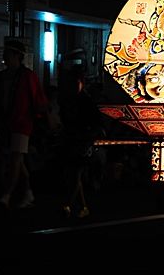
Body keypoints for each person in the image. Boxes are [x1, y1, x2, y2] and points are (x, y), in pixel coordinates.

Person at [0, 39, 48, 209]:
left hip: (22, 122)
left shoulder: (27, 76)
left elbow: (37, 100)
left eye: (7, 53)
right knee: (17, 159)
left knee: (15, 158)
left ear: (17, 56)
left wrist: (37, 117)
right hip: (7, 122)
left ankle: (7, 195)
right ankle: (27, 193)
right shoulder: (2, 77)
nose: (4, 57)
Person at [58, 68, 104, 219]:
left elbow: (96, 123)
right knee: (73, 174)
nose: (72, 86)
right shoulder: (72, 100)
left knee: (75, 173)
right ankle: (81, 206)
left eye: (74, 83)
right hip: (73, 140)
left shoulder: (84, 101)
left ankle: (68, 205)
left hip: (82, 141)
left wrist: (89, 140)